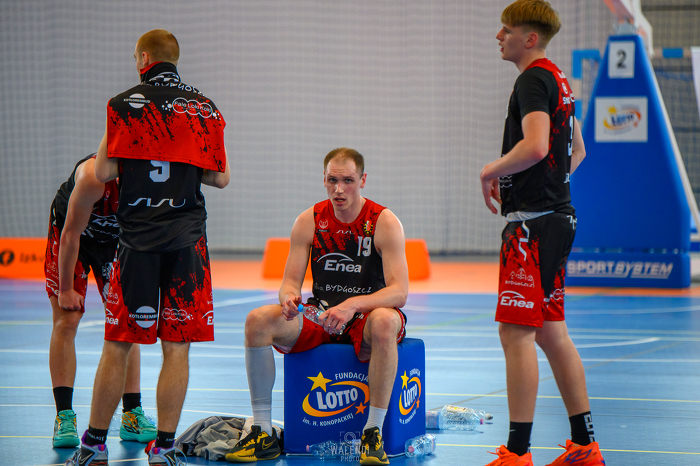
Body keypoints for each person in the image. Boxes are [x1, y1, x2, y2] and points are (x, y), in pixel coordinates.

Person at [66, 29, 230, 466]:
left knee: (118, 342)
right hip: (186, 243)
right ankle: (164, 448)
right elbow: (220, 178)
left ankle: (94, 444)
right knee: (177, 346)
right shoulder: (205, 108)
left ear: (143, 59)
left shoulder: (122, 105)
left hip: (136, 242)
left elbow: (103, 172)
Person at [478, 2, 604, 466]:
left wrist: (491, 171)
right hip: (558, 218)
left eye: (506, 30)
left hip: (532, 226)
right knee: (552, 333)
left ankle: (517, 453)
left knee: (516, 334)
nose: (499, 36)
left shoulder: (532, 79)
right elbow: (578, 152)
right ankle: (585, 446)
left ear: (529, 39)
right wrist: (547, 184)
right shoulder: (558, 79)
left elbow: (534, 146)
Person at [225, 148, 408, 465]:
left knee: (384, 322)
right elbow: (289, 282)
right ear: (323, 179)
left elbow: (399, 292)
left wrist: (351, 305)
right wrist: (288, 299)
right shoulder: (308, 220)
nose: (339, 189)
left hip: (364, 317)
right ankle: (263, 432)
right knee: (257, 320)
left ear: (363, 180)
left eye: (348, 181)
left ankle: (372, 433)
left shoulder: (383, 221)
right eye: (332, 180)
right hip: (321, 315)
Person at [46, 154, 156, 449]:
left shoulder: (151, 183)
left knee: (127, 324)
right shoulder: (94, 178)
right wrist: (66, 289)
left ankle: (132, 414)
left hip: (114, 242)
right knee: (67, 320)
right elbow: (70, 236)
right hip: (74, 238)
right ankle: (64, 416)